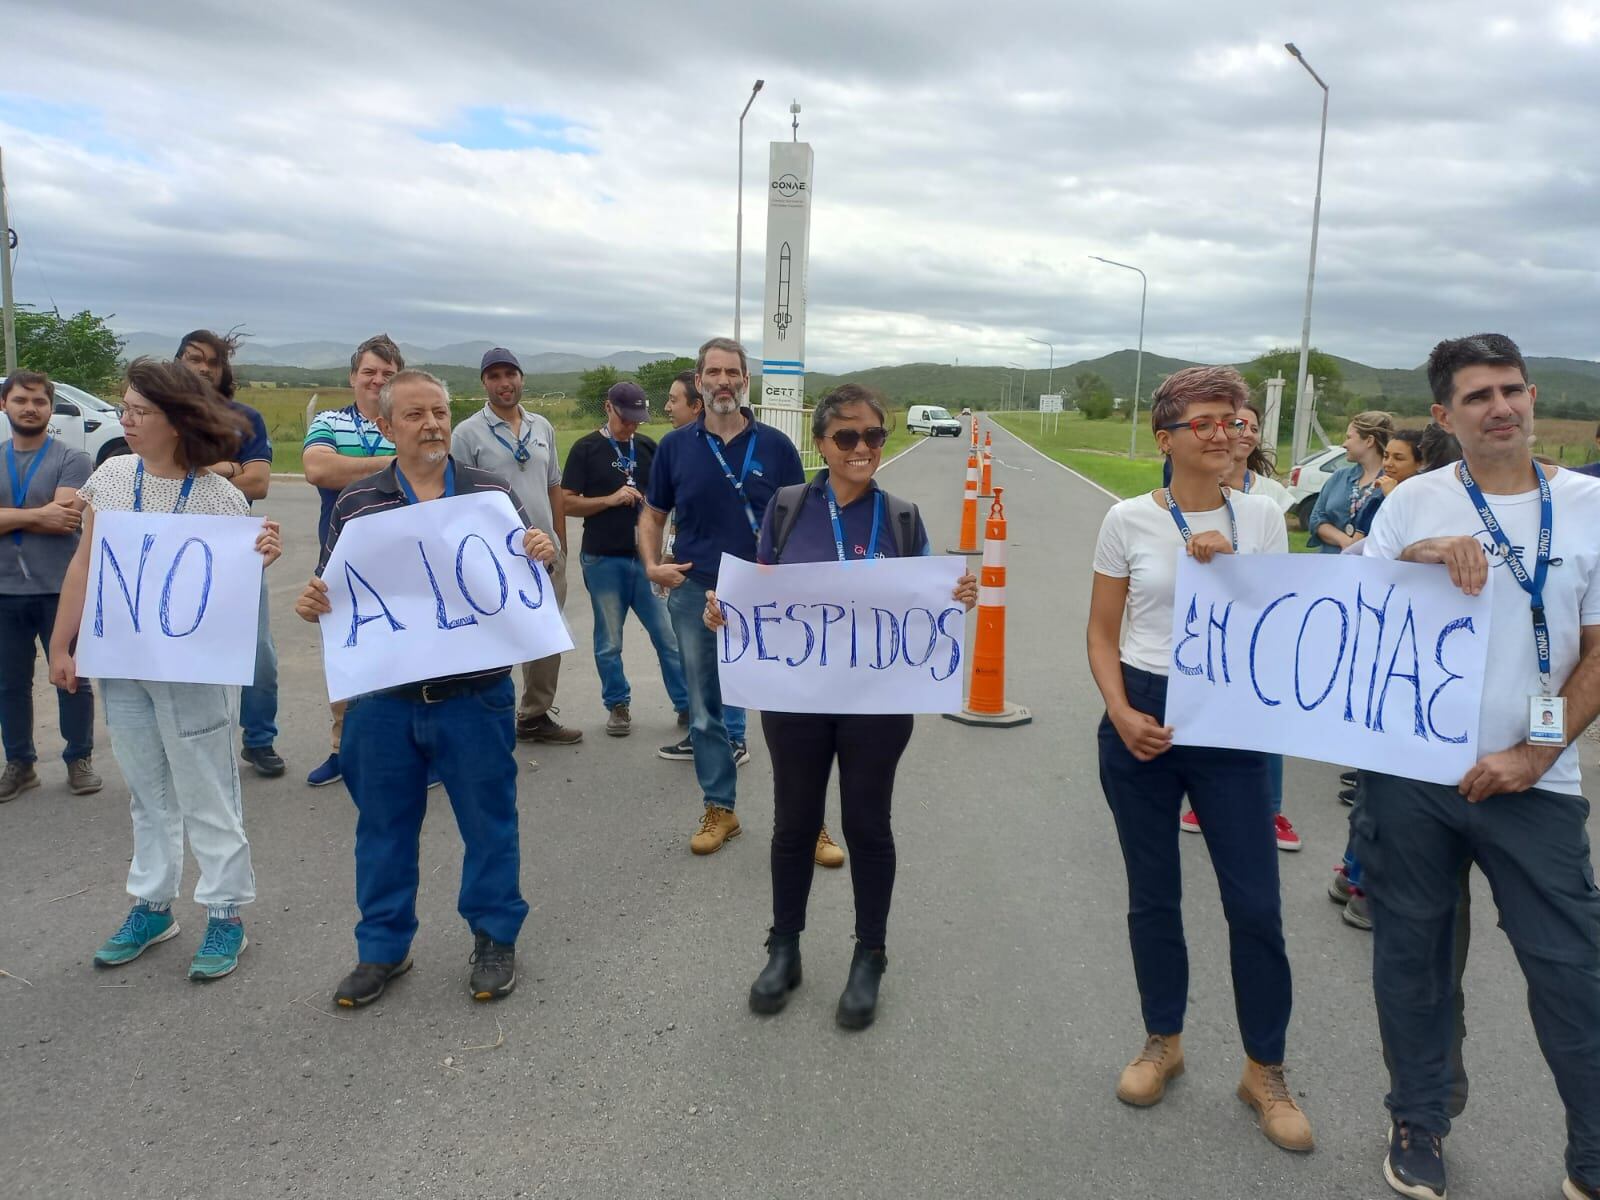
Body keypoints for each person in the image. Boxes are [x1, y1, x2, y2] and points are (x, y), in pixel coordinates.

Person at [1357, 334, 1600, 1200]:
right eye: (1477, 396)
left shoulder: (1588, 506)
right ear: (1443, 416)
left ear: (1533, 397)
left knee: (1571, 967)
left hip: (1533, 781)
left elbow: (1596, 650)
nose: (1500, 407)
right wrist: (1411, 565)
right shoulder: (1410, 503)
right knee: (1414, 960)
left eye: (1512, 390)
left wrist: (1537, 753)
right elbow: (1349, 626)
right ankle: (1419, 1120)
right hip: (1410, 777)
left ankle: (1593, 1151)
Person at [1086, 366, 1312, 1152]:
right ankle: (1164, 1043)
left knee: (1254, 906)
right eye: (1208, 421)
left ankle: (1265, 1070)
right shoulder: (1126, 520)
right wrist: (1120, 712)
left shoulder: (1262, 518)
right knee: (1154, 897)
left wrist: (1239, 572)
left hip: (1232, 725)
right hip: (1143, 714)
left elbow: (1278, 629)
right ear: (1167, 439)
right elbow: (1102, 636)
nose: (1226, 433)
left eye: (1236, 420)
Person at [706, 384, 977, 1028]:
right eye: (847, 437)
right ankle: (784, 947)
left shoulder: (904, 517)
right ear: (822, 444)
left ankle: (870, 955)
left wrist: (954, 596)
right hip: (796, 701)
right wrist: (729, 613)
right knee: (794, 822)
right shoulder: (789, 507)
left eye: (874, 437)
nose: (862, 448)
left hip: (875, 707)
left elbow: (923, 603)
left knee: (867, 823)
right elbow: (761, 589)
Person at [294, 370, 557, 1008]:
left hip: (475, 698)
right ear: (386, 427)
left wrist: (539, 551)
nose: (433, 424)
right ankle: (383, 947)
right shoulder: (360, 504)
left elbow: (524, 573)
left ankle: (495, 937)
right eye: (414, 415)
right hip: (384, 704)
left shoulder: (489, 496)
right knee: (382, 829)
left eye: (439, 412)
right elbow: (338, 589)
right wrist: (313, 599)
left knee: (490, 824)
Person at [48, 359, 281, 981]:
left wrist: (260, 556)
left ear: (177, 421)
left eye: (139, 412)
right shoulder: (112, 477)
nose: (125, 420)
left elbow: (227, 585)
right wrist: (63, 644)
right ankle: (153, 904)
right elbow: (84, 566)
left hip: (193, 672)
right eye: (122, 408)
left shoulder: (220, 496)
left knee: (207, 789)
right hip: (122, 665)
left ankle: (226, 911)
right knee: (147, 792)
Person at [638, 337, 805, 855]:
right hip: (696, 591)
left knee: (789, 709)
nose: (724, 381)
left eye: (733, 372)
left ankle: (806, 818)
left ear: (745, 381)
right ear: (700, 380)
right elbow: (653, 514)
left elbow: (801, 520)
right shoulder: (675, 446)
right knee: (707, 709)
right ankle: (720, 808)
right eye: (714, 372)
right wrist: (652, 564)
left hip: (766, 595)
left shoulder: (777, 447)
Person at [1180, 401, 1302, 850]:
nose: (1239, 433)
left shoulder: (1267, 498)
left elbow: (1278, 576)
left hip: (1254, 629)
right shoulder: (1190, 484)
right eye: (1234, 424)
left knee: (1258, 719)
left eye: (1247, 426)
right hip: (1205, 627)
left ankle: (1270, 808)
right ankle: (1203, 798)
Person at [452, 348, 581, 746]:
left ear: (522, 378)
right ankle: (482, 718)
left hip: (543, 551)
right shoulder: (467, 433)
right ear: (484, 383)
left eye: (510, 374)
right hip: (493, 555)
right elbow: (455, 498)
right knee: (491, 636)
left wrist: (559, 541)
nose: (504, 383)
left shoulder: (541, 426)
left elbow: (553, 486)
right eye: (494, 376)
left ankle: (534, 716)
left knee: (545, 637)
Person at [176, 330, 285, 778]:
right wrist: (227, 468)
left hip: (237, 547)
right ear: (178, 362)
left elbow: (258, 484)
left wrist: (201, 474)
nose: (203, 368)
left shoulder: (246, 418)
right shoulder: (163, 416)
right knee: (183, 649)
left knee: (257, 653)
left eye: (213, 362)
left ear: (224, 371)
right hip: (175, 549)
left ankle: (258, 740)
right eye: (194, 358)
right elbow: (158, 484)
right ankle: (190, 741)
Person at [300, 334, 403, 786]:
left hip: (403, 561)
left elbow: (431, 469)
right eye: (370, 372)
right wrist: (392, 465)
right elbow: (318, 469)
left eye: (387, 374)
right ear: (354, 377)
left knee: (405, 654)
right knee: (345, 654)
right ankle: (342, 749)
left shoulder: (405, 419)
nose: (377, 380)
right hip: (340, 558)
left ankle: (411, 752)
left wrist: (356, 466)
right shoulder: (329, 420)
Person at [559, 381, 688, 736]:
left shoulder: (648, 448)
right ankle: (617, 705)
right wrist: (608, 500)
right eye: (625, 418)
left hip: (645, 561)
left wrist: (665, 546)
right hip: (602, 559)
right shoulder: (586, 449)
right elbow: (567, 502)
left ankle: (686, 705)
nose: (631, 426)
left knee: (667, 636)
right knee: (609, 641)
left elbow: (670, 501)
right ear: (608, 408)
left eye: (637, 419)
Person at [0, 371, 99, 800]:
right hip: (5, 591)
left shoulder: (73, 459)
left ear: (50, 408)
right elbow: (50, 516)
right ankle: (20, 764)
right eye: (21, 400)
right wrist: (38, 516)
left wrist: (9, 517)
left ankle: (79, 759)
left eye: (39, 401)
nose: (30, 408)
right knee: (9, 684)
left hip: (61, 588)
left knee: (72, 676)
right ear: (4, 404)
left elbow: (67, 518)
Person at [1306, 411, 1394, 551]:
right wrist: (1345, 541)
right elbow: (1316, 517)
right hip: (1329, 565)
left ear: (1369, 441)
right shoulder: (1339, 477)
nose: (1344, 444)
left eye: (1349, 437)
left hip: (1370, 568)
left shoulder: (1391, 485)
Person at [1351, 429, 1423, 538]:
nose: (1388, 463)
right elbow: (1357, 542)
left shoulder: (1426, 498)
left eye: (1398, 458)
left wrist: (1392, 496)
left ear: (1420, 463)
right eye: (1386, 456)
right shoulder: (1377, 497)